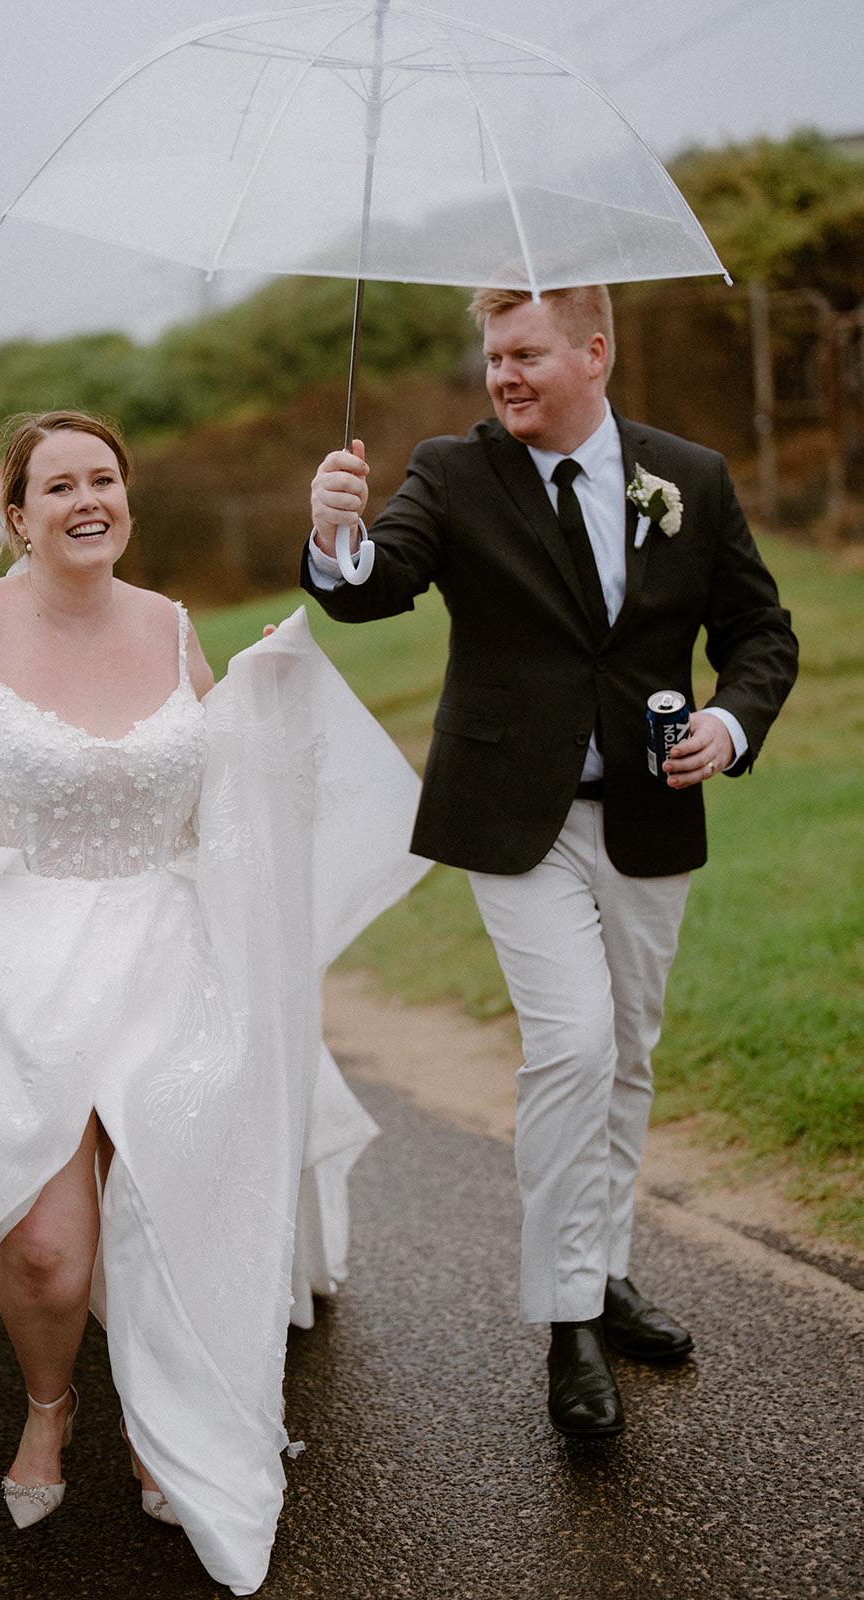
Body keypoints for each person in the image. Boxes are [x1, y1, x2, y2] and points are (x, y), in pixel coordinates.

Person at [0, 410, 427, 1594]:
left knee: (170, 1204)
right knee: (45, 1255)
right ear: (18, 515)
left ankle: (166, 1412)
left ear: (125, 501)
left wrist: (272, 693)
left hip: (162, 959)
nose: (87, 499)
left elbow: (218, 779)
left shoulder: (171, 624)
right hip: (10, 965)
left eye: (106, 480)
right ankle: (51, 1403)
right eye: (60, 484)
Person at [302, 286, 798, 1438]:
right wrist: (337, 530)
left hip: (648, 812)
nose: (502, 376)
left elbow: (759, 633)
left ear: (593, 350)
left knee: (626, 1051)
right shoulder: (452, 468)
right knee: (569, 1043)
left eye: (524, 353)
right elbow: (377, 587)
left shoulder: (690, 475)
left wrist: (726, 729)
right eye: (491, 356)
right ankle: (567, 1320)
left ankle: (605, 1268)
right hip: (509, 815)